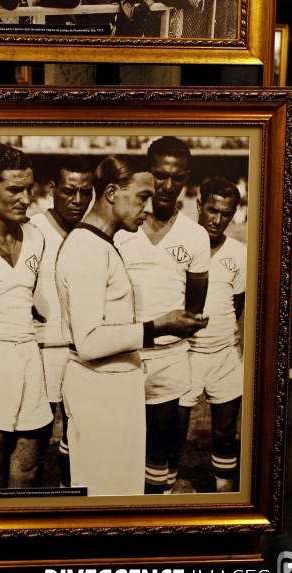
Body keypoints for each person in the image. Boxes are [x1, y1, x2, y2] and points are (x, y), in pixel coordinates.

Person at [55, 154, 207, 496]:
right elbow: (90, 341)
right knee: (105, 499)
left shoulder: (99, 243)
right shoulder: (87, 249)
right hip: (100, 389)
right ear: (111, 193)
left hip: (112, 387)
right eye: (142, 196)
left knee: (120, 493)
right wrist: (159, 325)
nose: (149, 207)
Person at [116, 136, 210, 495]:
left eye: (178, 177)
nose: (168, 186)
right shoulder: (123, 227)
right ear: (146, 172)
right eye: (159, 175)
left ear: (187, 178)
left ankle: (154, 522)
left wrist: (177, 331)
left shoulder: (195, 235)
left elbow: (194, 308)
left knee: (162, 450)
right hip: (124, 352)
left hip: (170, 358)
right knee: (121, 444)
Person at [0, 142, 53, 490]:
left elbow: (29, 298)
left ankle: (22, 542)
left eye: (28, 188)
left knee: (28, 470)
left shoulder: (35, 237)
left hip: (29, 356)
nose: (25, 198)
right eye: (14, 189)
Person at [179, 178, 246, 493]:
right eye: (212, 210)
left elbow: (239, 302)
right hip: (184, 353)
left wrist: (225, 336)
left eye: (226, 213)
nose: (217, 219)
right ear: (199, 205)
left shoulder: (239, 253)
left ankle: (224, 494)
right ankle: (164, 494)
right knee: (172, 432)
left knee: (225, 430)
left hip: (224, 354)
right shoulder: (181, 244)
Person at [30, 155, 93, 487]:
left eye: (85, 192)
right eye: (70, 191)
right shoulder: (32, 231)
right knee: (35, 437)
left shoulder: (93, 231)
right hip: (42, 349)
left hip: (83, 350)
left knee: (79, 433)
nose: (78, 200)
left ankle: (72, 501)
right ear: (53, 189)